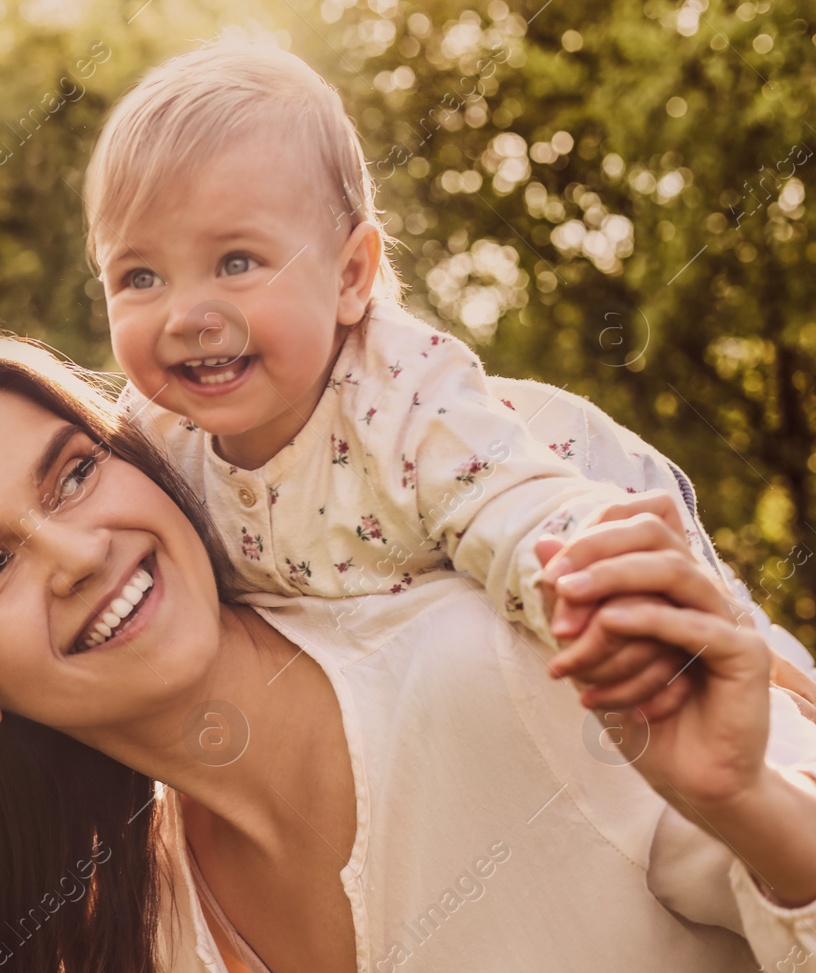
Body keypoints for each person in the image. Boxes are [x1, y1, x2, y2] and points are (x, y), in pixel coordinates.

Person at [0, 336, 816, 973]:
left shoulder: (498, 656)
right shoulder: (153, 945)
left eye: (68, 473)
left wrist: (747, 801)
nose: (73, 551)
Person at [82, 36, 816, 712]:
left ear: (350, 276)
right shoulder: (156, 434)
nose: (185, 315)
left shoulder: (404, 400)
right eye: (139, 275)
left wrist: (589, 592)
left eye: (236, 262)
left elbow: (521, 510)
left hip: (585, 485)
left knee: (742, 674)